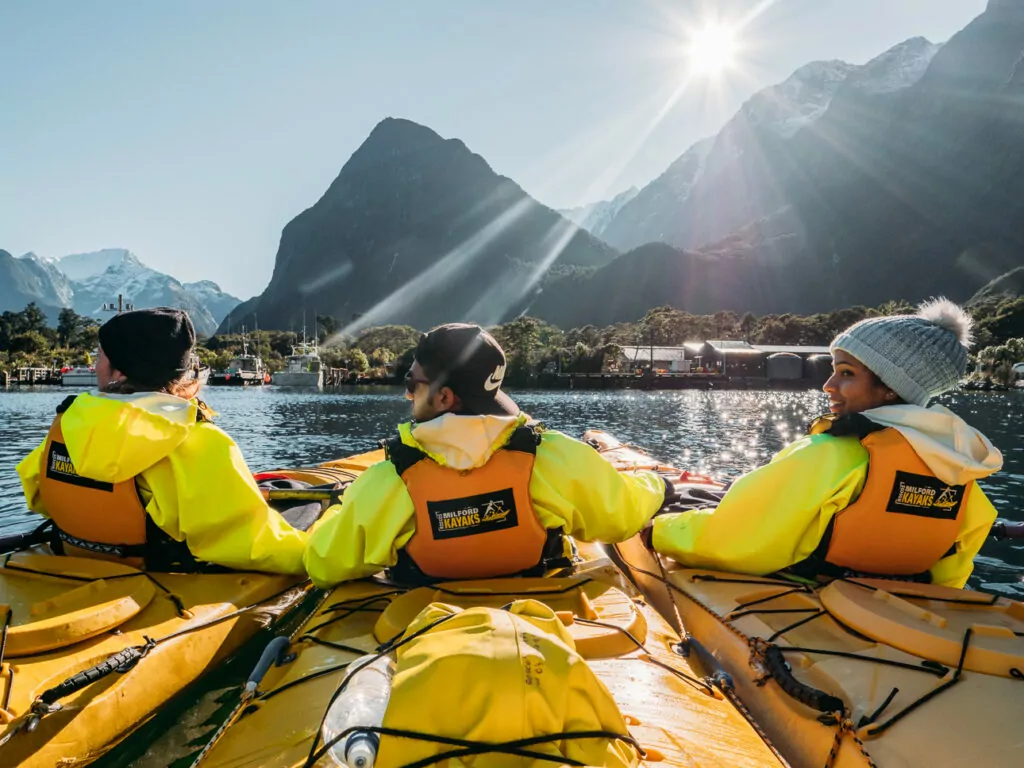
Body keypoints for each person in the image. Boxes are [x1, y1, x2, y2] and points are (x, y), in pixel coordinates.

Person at [652, 298, 1002, 588]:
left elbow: (729, 544)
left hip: (802, 597)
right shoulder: (963, 474)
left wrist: (659, 529)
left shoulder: (826, 457)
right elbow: (950, 575)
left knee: (672, 500)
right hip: (893, 613)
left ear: (891, 386)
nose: (828, 385)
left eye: (847, 373)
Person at [304, 323, 672, 587]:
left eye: (411, 384)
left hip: (423, 621)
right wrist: (656, 485)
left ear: (445, 397)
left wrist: (336, 512)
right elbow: (621, 515)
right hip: (534, 608)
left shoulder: (390, 480)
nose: (407, 394)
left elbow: (323, 563)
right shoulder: (552, 457)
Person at [17, 308, 307, 574]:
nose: (95, 367)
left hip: (71, 555)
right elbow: (253, 543)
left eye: (99, 358)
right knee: (306, 508)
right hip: (156, 574)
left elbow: (37, 493)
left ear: (119, 371)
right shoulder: (197, 440)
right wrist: (319, 550)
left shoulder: (69, 420)